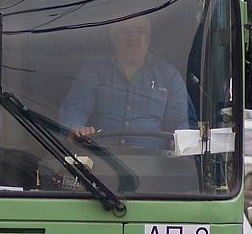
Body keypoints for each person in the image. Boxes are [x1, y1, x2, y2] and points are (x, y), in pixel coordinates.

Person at [58, 15, 194, 147]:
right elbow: (74, 109)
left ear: (149, 37)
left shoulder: (169, 76)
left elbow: (181, 122)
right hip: (100, 161)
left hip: (155, 164)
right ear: (112, 36)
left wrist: (179, 143)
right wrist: (75, 130)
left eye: (140, 31)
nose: (133, 38)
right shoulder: (94, 70)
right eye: (125, 30)